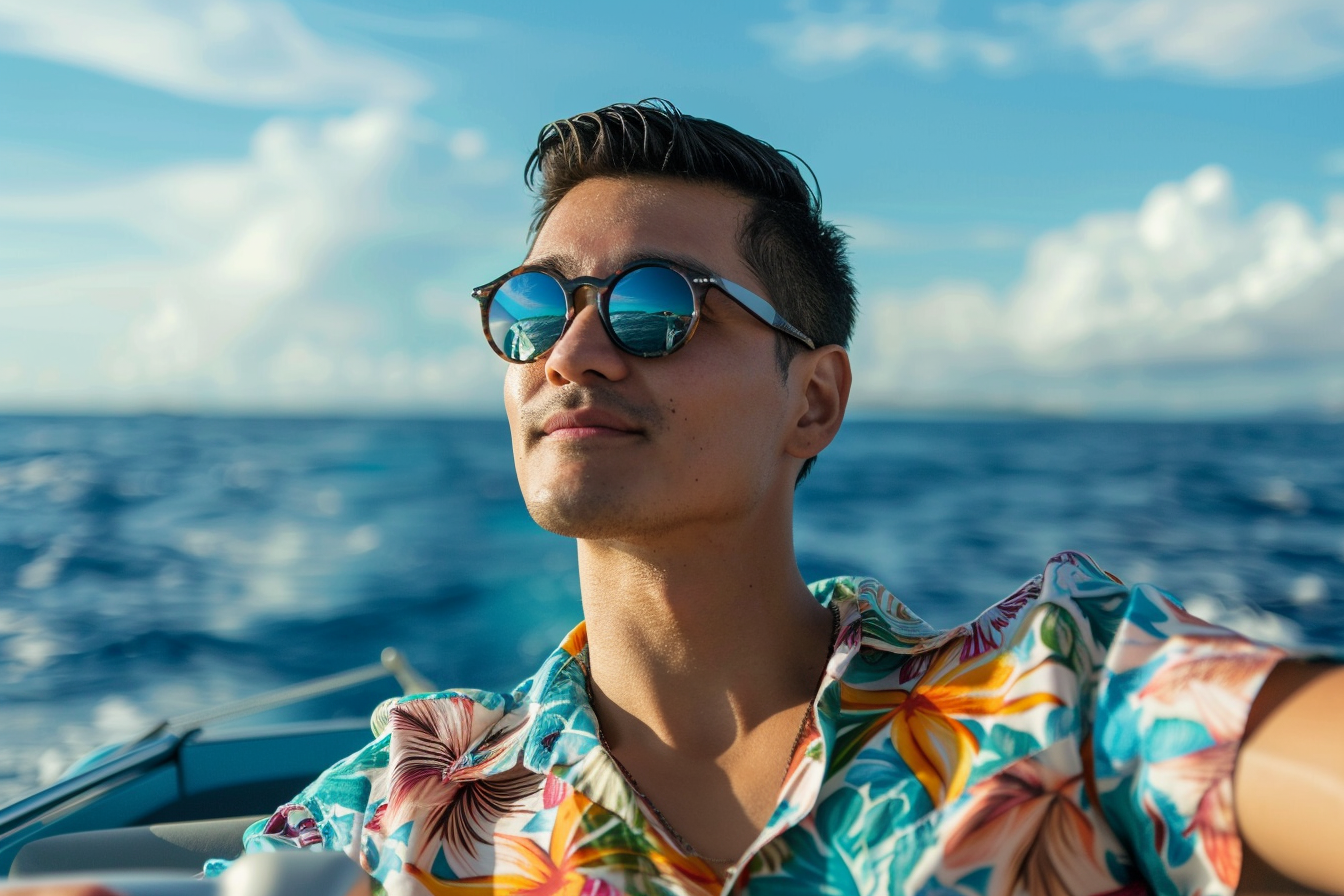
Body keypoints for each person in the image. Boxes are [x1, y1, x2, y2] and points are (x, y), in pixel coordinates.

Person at [210, 100, 1342, 895]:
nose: (578, 349)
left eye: (660, 306)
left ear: (813, 399)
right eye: (532, 307)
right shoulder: (401, 797)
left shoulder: (1065, 692)